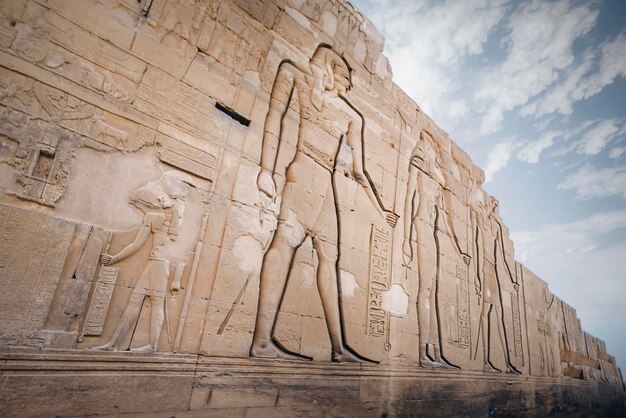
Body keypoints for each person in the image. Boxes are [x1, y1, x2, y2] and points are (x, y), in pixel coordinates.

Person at [250, 45, 397, 363]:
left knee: (329, 259)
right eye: (345, 80)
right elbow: (273, 118)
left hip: (325, 186)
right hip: (302, 172)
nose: (346, 88)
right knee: (283, 245)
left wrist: (379, 209)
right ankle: (261, 342)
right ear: (331, 71)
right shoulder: (295, 75)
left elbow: (359, 172)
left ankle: (337, 348)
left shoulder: (352, 115)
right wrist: (265, 170)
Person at [94, 171, 195, 352]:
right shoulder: (153, 218)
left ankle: (152, 345)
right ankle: (114, 344)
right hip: (154, 262)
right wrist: (115, 258)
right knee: (135, 301)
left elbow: (180, 251)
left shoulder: (173, 222)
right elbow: (137, 244)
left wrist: (177, 278)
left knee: (155, 303)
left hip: (159, 264)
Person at [402, 130, 470, 368]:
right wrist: (406, 239)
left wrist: (459, 248)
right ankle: (423, 353)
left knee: (434, 292)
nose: (439, 155)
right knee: (425, 290)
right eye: (436, 148)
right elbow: (408, 200)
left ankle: (435, 352)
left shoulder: (437, 176)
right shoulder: (418, 163)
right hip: (421, 226)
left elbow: (446, 216)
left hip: (433, 232)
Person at [471, 188, 520, 373]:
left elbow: (502, 255)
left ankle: (506, 363)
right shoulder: (479, 216)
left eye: (496, 205)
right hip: (483, 267)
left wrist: (512, 278)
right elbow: (476, 242)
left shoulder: (495, 227)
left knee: (498, 315)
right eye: (492, 203)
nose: (495, 207)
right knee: (485, 311)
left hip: (493, 271)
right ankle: (484, 361)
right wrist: (476, 274)